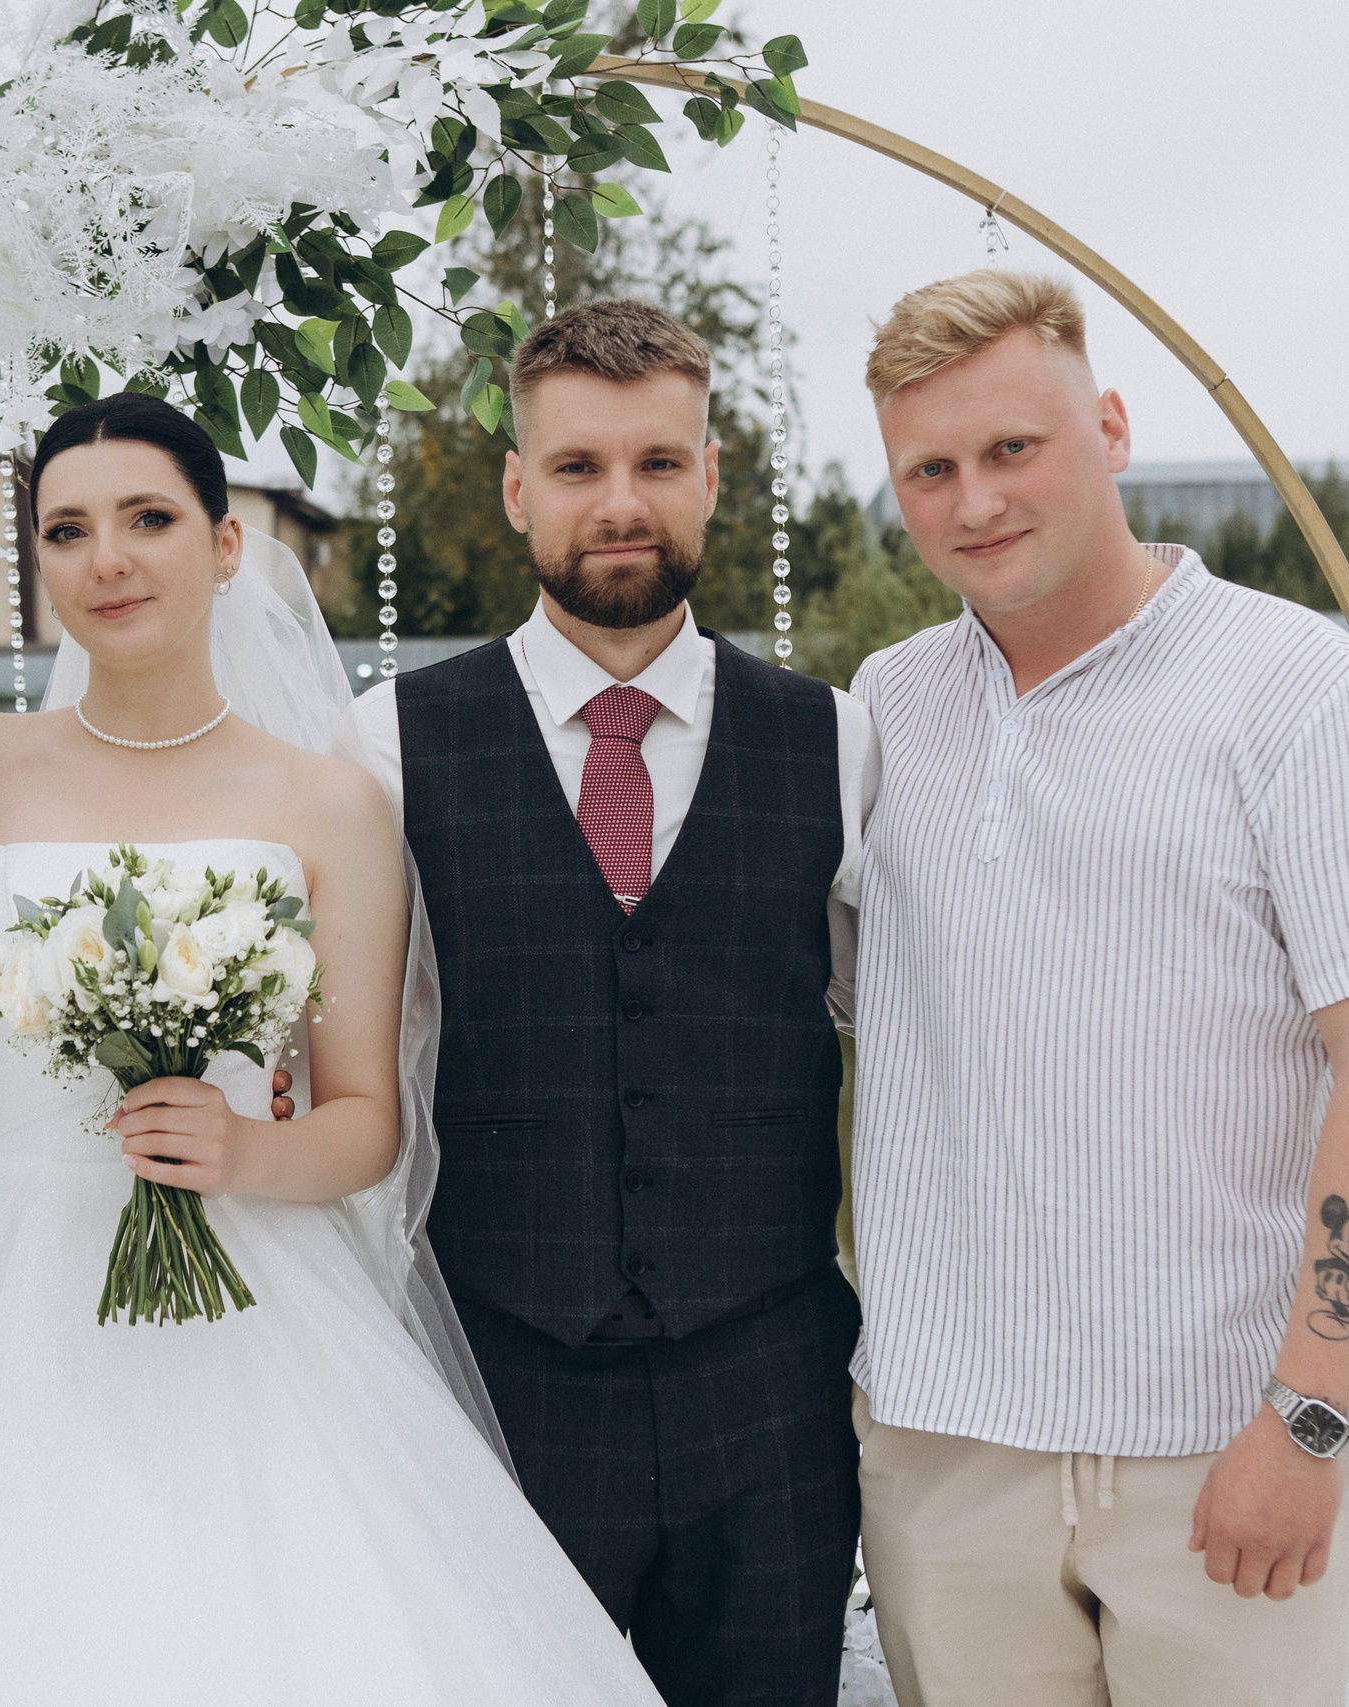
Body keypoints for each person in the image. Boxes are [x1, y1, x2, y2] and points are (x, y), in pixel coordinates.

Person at [0, 393, 664, 1706]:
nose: (108, 560)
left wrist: (245, 1146)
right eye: (65, 530)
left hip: (248, 1278)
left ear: (225, 547)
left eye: (147, 521)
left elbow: (368, 1122)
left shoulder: (325, 801)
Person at [843, 270, 1349, 1706]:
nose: (975, 501)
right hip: (945, 1439)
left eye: (1015, 449)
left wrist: (1308, 1416)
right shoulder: (884, 707)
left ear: (1111, 428)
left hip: (1220, 1436)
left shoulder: (1306, 697)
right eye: (929, 470)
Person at [339, 299, 878, 1707]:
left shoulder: (840, 740)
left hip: (772, 1398)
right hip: (495, 1381)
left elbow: (917, 1042)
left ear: (712, 474)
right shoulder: (386, 742)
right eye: (578, 467)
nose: (620, 502)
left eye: (656, 462)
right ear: (518, 489)